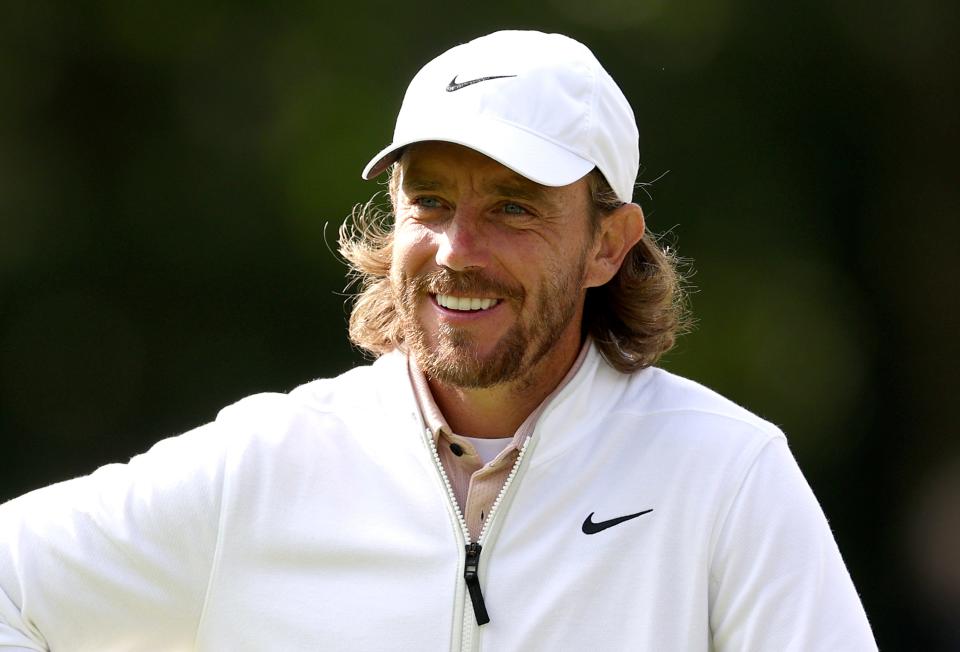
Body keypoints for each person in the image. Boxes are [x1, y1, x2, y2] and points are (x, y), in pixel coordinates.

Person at [0, 30, 876, 651]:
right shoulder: (265, 465)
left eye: (513, 207)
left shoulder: (726, 476)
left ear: (607, 244)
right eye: (429, 201)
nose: (459, 251)